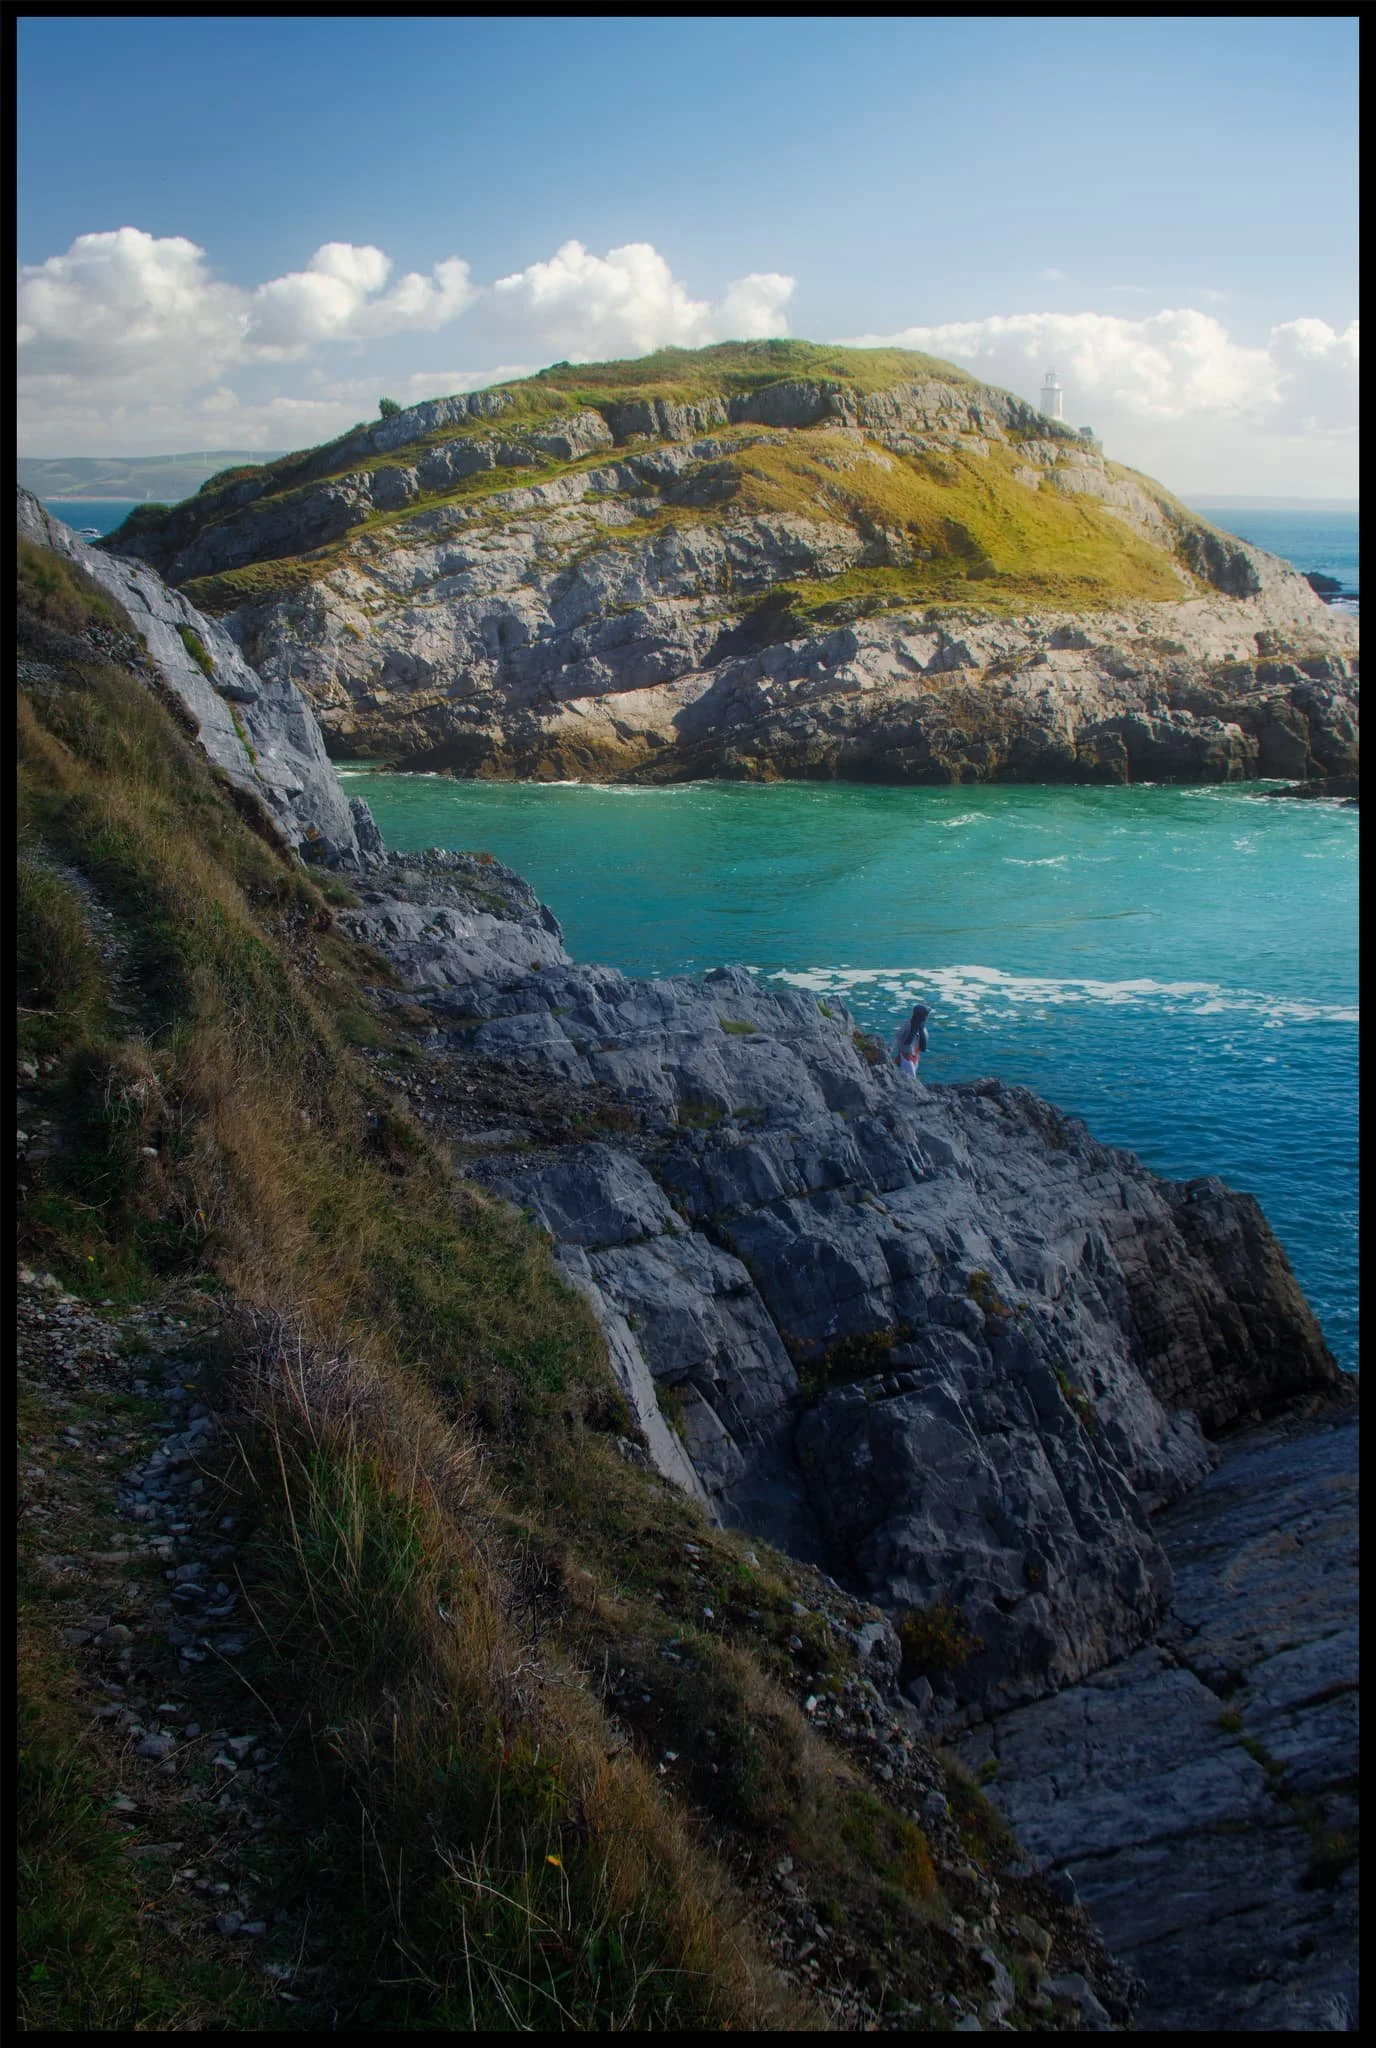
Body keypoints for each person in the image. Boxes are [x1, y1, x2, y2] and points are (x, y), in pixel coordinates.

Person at [892, 1002, 930, 1080]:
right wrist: (891, 1048)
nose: (927, 1017)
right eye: (926, 1015)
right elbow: (897, 1037)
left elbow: (921, 1045)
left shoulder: (923, 1029)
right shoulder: (907, 1025)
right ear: (921, 1016)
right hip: (906, 1057)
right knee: (912, 1078)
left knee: (909, 1077)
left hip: (915, 1057)